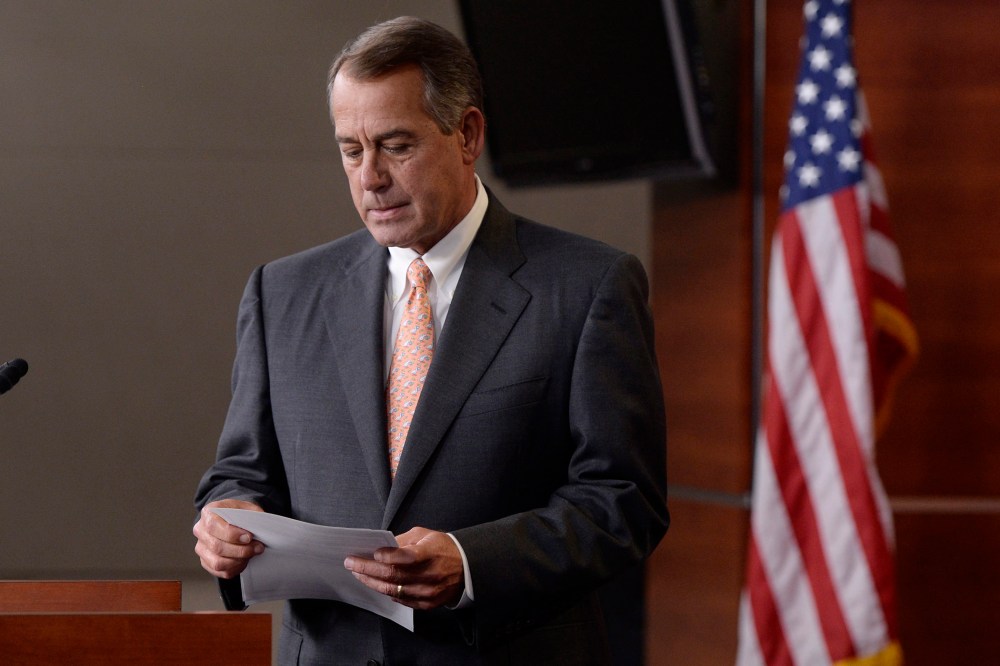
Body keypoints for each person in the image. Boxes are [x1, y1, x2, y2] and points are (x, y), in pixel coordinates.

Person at [193, 15, 668, 666]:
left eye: (395, 145)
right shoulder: (283, 293)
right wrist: (227, 519)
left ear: (467, 134)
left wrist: (475, 562)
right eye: (351, 150)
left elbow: (623, 501)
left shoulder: (588, 287)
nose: (371, 178)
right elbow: (241, 471)